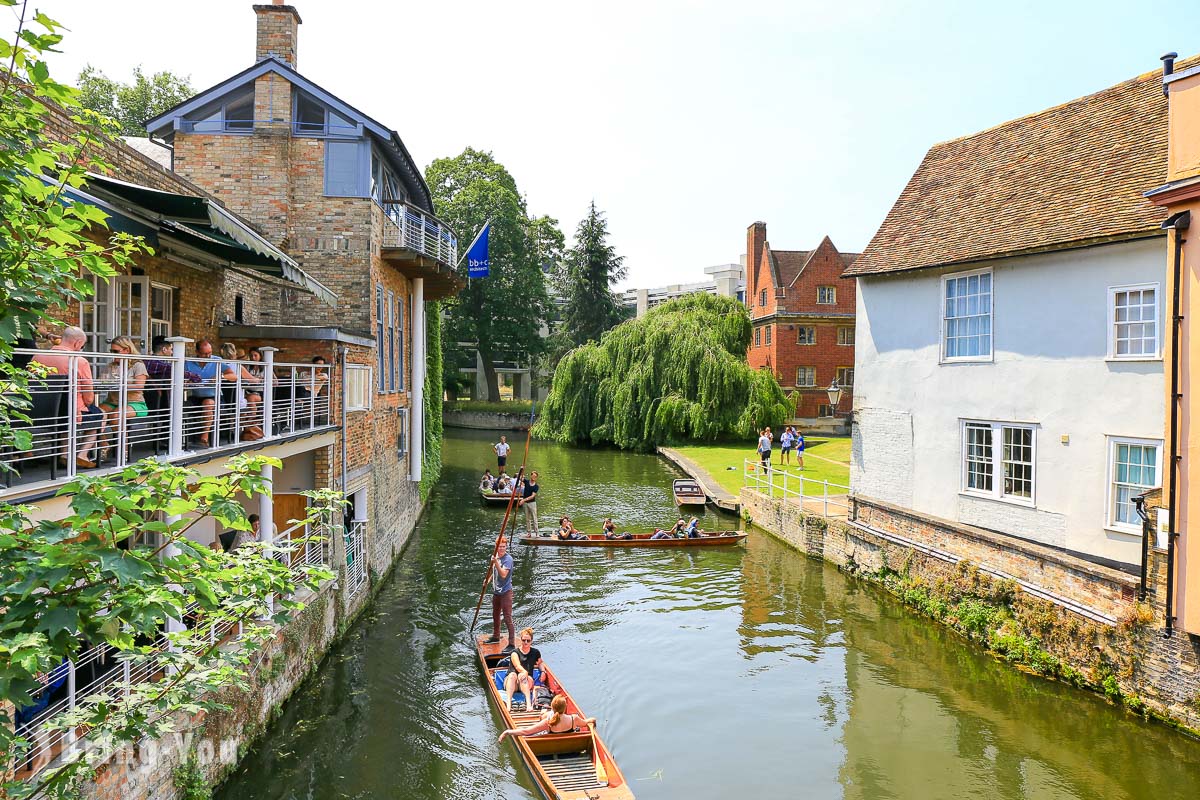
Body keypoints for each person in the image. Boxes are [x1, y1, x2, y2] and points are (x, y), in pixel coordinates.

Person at [30, 326, 104, 468]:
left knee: (66, 413)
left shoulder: (37, 357)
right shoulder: (78, 360)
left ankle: (65, 454)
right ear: (77, 343)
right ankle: (81, 454)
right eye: (81, 346)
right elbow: (89, 398)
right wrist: (88, 404)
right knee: (100, 414)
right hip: (71, 413)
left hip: (40, 413)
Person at [98, 336, 149, 460]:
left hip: (135, 403)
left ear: (126, 350)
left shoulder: (138, 365)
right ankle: (104, 445)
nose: (113, 354)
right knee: (95, 414)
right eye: (112, 351)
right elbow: (101, 382)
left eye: (116, 351)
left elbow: (139, 387)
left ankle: (123, 451)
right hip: (112, 401)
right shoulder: (111, 366)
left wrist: (120, 384)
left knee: (116, 416)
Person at [185, 338, 233, 448]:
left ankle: (204, 438)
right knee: (178, 404)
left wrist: (220, 376)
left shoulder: (217, 360)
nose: (208, 356)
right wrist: (186, 380)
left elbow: (233, 375)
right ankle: (178, 440)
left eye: (210, 353)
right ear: (197, 352)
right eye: (204, 354)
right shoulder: (189, 362)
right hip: (196, 397)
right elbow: (182, 376)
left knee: (207, 403)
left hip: (215, 397)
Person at [498, 694, 596, 742]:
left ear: (552, 707)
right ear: (565, 707)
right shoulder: (574, 719)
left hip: (553, 746)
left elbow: (526, 732)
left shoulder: (548, 722)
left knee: (543, 716)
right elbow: (586, 722)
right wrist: (592, 720)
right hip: (571, 750)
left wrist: (507, 732)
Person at [219, 343, 264, 440]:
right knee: (245, 403)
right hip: (236, 402)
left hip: (221, 401)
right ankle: (240, 431)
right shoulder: (237, 366)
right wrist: (259, 379)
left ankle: (229, 430)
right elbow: (253, 380)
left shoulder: (218, 365)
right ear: (234, 354)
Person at [502, 627, 545, 711]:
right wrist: (524, 672)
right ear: (521, 640)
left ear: (531, 641)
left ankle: (529, 704)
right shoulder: (515, 653)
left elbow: (540, 663)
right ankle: (508, 704)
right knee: (512, 675)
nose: (525, 642)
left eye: (528, 641)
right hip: (512, 682)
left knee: (523, 676)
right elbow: (517, 666)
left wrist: (543, 671)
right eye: (524, 640)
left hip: (526, 682)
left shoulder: (535, 652)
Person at [484, 538, 515, 647]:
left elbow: (503, 574)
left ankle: (511, 644)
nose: (501, 549)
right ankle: (496, 636)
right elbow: (494, 571)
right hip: (496, 592)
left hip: (506, 592)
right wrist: (487, 580)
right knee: (495, 615)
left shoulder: (508, 559)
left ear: (506, 547)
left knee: (507, 617)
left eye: (503, 546)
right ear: (496, 547)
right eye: (499, 546)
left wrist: (496, 562)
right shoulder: (495, 556)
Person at [518, 470, 540, 535]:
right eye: (532, 476)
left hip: (532, 503)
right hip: (526, 504)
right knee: (527, 519)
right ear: (531, 476)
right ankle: (529, 532)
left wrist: (523, 500)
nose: (533, 477)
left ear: (536, 478)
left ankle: (537, 533)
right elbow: (520, 478)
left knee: (534, 518)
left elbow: (532, 496)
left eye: (535, 476)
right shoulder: (526, 482)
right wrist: (521, 470)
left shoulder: (536, 486)